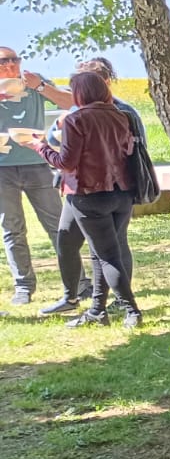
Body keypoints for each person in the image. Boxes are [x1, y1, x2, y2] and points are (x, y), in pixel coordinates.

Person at [17, 72, 140, 328]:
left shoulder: (76, 119)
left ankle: (131, 311)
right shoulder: (122, 115)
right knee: (68, 239)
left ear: (80, 93)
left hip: (88, 194)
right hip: (120, 192)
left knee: (106, 256)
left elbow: (65, 162)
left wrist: (39, 146)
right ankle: (92, 308)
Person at [0, 46, 65, 306]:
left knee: (59, 226)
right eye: (3, 61)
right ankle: (23, 286)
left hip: (38, 164)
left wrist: (40, 87)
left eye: (14, 60)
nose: (10, 65)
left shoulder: (34, 81)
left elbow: (70, 103)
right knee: (12, 229)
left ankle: (78, 282)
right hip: (2, 169)